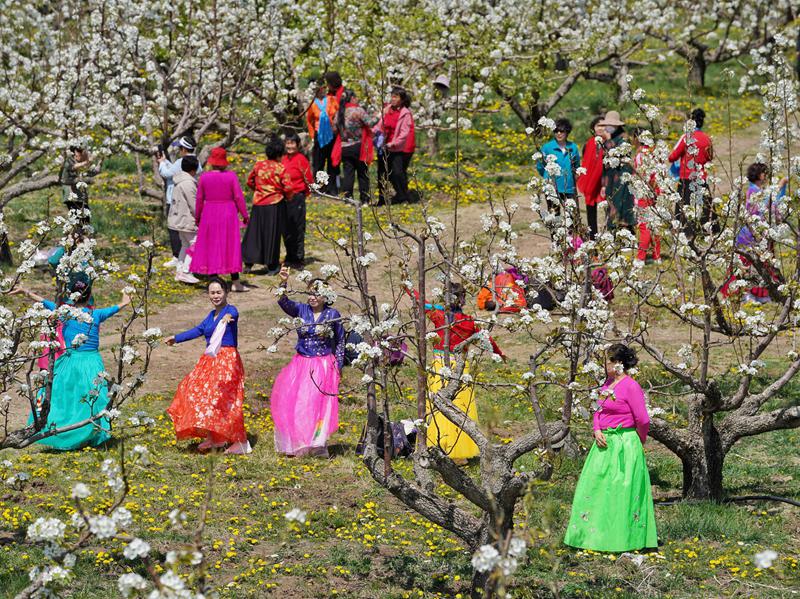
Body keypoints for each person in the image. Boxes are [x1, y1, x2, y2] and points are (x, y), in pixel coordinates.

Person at [13, 275, 131, 450]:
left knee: (63, 397)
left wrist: (26, 291)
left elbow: (44, 302)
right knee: (93, 397)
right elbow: (119, 306)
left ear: (70, 294)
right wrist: (125, 297)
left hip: (68, 361)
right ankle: (91, 432)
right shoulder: (96, 314)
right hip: (92, 363)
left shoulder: (63, 312)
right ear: (89, 294)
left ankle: (61, 430)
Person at [564, 344, 657, 552]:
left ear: (618, 363)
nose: (604, 365)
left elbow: (642, 419)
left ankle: (623, 539)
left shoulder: (631, 386)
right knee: (595, 487)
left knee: (620, 491)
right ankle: (591, 536)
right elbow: (597, 409)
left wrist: (638, 440)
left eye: (608, 360)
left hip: (624, 443)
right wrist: (597, 429)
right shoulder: (607, 384)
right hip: (603, 443)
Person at [409, 283, 503, 463]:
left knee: (437, 408)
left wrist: (407, 287)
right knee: (461, 408)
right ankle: (460, 451)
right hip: (461, 369)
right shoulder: (469, 321)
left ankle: (438, 446)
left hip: (440, 367)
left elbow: (421, 302)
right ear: (463, 299)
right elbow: (486, 340)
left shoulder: (439, 315)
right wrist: (500, 354)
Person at [164, 277, 250, 454]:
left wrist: (227, 317)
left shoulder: (230, 310)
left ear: (225, 292)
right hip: (210, 361)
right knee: (201, 395)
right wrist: (176, 338)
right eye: (212, 293)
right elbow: (197, 330)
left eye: (219, 292)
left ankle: (241, 442)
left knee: (225, 401)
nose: (216, 296)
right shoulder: (211, 316)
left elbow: (233, 314)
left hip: (227, 361)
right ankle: (215, 438)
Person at [271, 267, 345, 457]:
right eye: (310, 293)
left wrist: (338, 366)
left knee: (322, 405)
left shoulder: (333, 314)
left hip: (324, 365)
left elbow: (340, 341)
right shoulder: (301, 310)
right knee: (301, 402)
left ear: (326, 296)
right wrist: (283, 282)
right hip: (302, 364)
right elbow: (283, 301)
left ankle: (318, 444)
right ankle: (299, 442)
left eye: (317, 294)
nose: (312, 297)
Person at [721, 162, 787, 303]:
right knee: (752, 265)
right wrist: (780, 187)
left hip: (757, 233)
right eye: (764, 173)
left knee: (759, 265)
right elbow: (768, 205)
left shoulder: (757, 190)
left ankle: (757, 293)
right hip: (752, 235)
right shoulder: (754, 191)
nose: (766, 176)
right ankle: (747, 293)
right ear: (759, 175)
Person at [191, 147, 249, 292]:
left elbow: (199, 199)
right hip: (228, 214)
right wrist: (245, 215)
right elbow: (238, 197)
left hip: (209, 213)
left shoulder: (204, 177)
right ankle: (235, 283)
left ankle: (213, 282)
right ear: (224, 162)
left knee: (211, 246)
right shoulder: (231, 177)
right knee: (231, 245)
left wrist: (198, 217)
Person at [242, 137, 293, 275]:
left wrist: (259, 190)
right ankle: (272, 266)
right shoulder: (281, 168)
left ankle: (248, 263)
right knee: (272, 235)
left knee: (254, 233)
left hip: (258, 203)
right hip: (275, 204)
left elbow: (250, 181)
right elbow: (288, 188)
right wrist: (288, 198)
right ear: (279, 154)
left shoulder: (258, 165)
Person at [668, 108, 714, 234]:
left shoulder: (686, 137)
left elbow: (672, 156)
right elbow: (710, 157)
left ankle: (685, 232)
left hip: (686, 179)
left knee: (684, 208)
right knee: (703, 208)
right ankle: (703, 231)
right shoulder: (707, 139)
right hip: (701, 178)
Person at [158, 135, 198, 269]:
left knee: (175, 230)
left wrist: (162, 163)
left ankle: (178, 259)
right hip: (189, 199)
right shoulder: (195, 162)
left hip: (175, 199)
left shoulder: (181, 162)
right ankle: (182, 262)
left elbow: (166, 174)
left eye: (180, 148)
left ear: (184, 149)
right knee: (186, 236)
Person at [334, 89, 378, 203]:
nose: (357, 99)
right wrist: (378, 115)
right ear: (352, 98)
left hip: (344, 147)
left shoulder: (340, 112)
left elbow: (334, 128)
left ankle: (348, 199)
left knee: (348, 174)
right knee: (363, 173)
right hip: (358, 145)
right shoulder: (358, 111)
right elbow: (370, 122)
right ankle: (364, 200)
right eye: (356, 97)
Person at [374, 87, 416, 204]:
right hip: (383, 146)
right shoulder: (387, 110)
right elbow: (379, 124)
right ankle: (382, 199)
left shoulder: (405, 114)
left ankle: (403, 197)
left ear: (402, 100)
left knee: (397, 173)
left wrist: (394, 143)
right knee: (381, 173)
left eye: (396, 97)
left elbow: (404, 132)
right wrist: (373, 132)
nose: (393, 99)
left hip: (396, 148)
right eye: (392, 96)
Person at [598, 111, 635, 233]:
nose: (608, 127)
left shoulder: (623, 140)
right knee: (611, 207)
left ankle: (624, 235)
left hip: (621, 180)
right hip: (610, 180)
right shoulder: (610, 139)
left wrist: (608, 142)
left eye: (611, 125)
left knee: (621, 209)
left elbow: (617, 157)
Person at [536, 118, 581, 220]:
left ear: (567, 132)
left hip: (569, 186)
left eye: (562, 131)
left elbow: (577, 166)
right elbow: (540, 165)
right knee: (554, 216)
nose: (559, 134)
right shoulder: (547, 147)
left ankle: (572, 236)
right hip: (552, 187)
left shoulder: (573, 147)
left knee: (573, 217)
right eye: (556, 131)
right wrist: (547, 176)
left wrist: (573, 177)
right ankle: (556, 236)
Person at [281, 132, 313, 269]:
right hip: (283, 198)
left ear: (298, 145)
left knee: (298, 228)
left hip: (297, 197)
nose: (290, 146)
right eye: (287, 143)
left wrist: (302, 195)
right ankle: (289, 256)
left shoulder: (302, 159)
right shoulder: (283, 159)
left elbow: (309, 180)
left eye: (292, 143)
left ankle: (298, 258)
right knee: (286, 228)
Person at [631, 129, 661, 264]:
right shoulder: (655, 153)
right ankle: (657, 255)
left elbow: (641, 176)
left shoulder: (640, 156)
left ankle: (641, 257)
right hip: (656, 192)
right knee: (655, 225)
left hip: (644, 194)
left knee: (644, 226)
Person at [169, 156, 200, 284]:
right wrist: (200, 217)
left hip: (177, 219)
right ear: (194, 169)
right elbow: (194, 204)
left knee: (186, 245)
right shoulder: (188, 183)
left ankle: (180, 271)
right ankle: (186, 271)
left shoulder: (179, 180)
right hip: (186, 220)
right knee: (196, 244)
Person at [306, 78, 339, 194]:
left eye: (323, 89)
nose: (322, 91)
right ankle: (319, 188)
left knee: (332, 162)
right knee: (318, 163)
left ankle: (332, 188)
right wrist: (312, 135)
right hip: (318, 135)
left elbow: (337, 113)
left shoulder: (331, 100)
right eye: (319, 89)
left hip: (331, 134)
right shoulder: (312, 104)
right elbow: (309, 120)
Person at [577, 116, 606, 239]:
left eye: (603, 125)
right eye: (598, 125)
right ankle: (592, 236)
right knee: (591, 210)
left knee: (608, 211)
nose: (600, 128)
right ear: (593, 128)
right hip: (590, 182)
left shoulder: (609, 143)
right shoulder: (588, 143)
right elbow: (586, 162)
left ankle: (608, 236)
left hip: (604, 182)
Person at [59, 146, 97, 215]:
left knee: (85, 219)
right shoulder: (69, 160)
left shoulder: (83, 163)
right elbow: (72, 167)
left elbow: (94, 172)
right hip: (72, 196)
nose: (81, 154)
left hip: (81, 197)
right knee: (78, 218)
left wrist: (101, 160)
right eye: (79, 151)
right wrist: (87, 162)